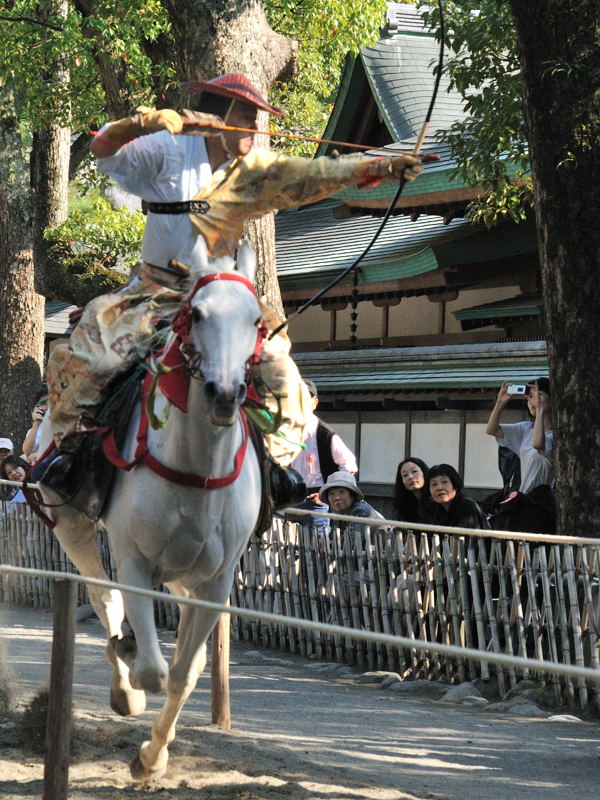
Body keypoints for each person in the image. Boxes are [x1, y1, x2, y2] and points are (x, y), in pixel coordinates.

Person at [41, 73, 424, 505]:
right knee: (91, 353)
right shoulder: (168, 147)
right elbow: (101, 148)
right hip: (155, 290)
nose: (255, 126)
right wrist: (142, 123)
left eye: (257, 117)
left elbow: (316, 174)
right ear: (214, 115)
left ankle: (274, 468)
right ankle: (71, 455)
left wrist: (380, 166)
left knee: (283, 375)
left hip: (222, 297)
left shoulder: (253, 171)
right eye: (245, 114)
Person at [485, 378, 555, 532]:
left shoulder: (556, 436)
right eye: (530, 396)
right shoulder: (525, 429)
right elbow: (492, 430)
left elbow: (538, 444)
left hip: (543, 505)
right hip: (523, 501)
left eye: (539, 395)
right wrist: (500, 403)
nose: (533, 400)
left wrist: (540, 410)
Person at [290, 378, 357, 532]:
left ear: (314, 402)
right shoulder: (284, 430)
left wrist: (326, 493)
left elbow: (349, 465)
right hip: (289, 496)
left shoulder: (323, 433)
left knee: (317, 548)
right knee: (287, 547)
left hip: (315, 499)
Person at [318, 471, 384, 545]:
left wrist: (325, 544)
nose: (336, 497)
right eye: (331, 494)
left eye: (342, 492)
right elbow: (333, 536)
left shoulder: (362, 511)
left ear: (352, 495)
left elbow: (348, 543)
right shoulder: (339, 512)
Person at [424, 464, 489, 530]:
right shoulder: (436, 508)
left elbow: (467, 538)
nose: (439, 488)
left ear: (454, 484)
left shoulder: (466, 505)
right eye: (434, 484)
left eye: (444, 482)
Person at [393, 457, 429, 523]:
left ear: (424, 472)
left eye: (414, 471)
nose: (410, 477)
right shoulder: (403, 504)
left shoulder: (437, 500)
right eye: (405, 475)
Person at [21, 386, 49, 464]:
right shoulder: (35, 429)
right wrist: (36, 423)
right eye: (43, 403)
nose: (48, 405)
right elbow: (26, 450)